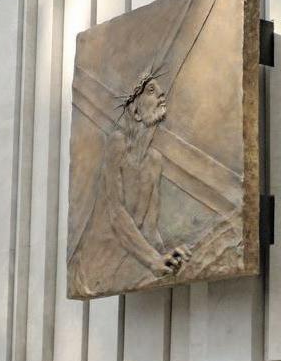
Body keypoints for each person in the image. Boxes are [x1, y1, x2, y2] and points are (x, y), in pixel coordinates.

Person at [68, 71, 191, 297]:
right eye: (151, 90)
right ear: (135, 112)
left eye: (159, 89)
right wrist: (153, 260)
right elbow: (116, 213)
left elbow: (150, 228)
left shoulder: (154, 161)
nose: (161, 94)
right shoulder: (118, 144)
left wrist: (168, 257)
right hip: (96, 265)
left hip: (126, 262)